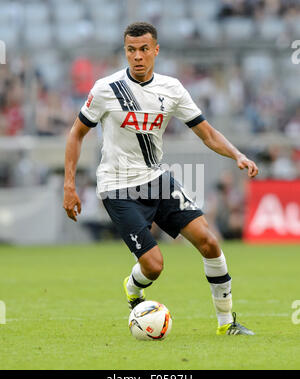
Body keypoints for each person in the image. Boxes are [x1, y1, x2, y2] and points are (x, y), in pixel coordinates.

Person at [63, 22, 259, 336]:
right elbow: (77, 134)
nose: (137, 56)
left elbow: (206, 134)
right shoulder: (105, 89)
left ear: (156, 50)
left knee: (209, 242)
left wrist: (237, 155)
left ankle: (227, 325)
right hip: (118, 186)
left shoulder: (172, 89)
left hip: (156, 179)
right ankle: (132, 286)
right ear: (125, 51)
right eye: (131, 50)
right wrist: (69, 185)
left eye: (143, 49)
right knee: (154, 265)